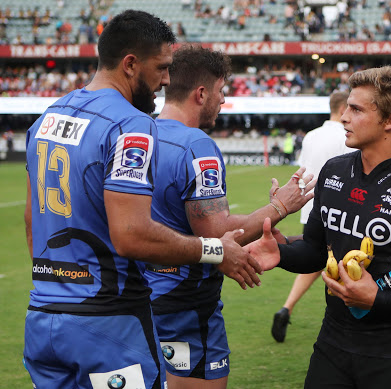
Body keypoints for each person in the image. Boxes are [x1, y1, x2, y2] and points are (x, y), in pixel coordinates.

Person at [23, 11, 261, 389]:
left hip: (44, 318)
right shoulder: (130, 124)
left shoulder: (49, 117)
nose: (166, 80)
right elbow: (132, 234)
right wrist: (215, 251)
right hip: (108, 323)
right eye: (161, 68)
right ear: (131, 64)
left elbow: (32, 222)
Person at [247, 66, 391, 389]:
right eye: (347, 107)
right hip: (333, 344)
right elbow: (314, 252)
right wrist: (280, 254)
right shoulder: (333, 172)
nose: (344, 118)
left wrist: (379, 300)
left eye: (356, 109)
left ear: (390, 121)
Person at [145, 44, 315, 389]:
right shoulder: (196, 145)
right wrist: (280, 207)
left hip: (141, 292)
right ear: (202, 93)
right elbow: (216, 232)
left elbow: (179, 218)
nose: (224, 101)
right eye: (222, 92)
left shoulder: (139, 134)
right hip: (185, 299)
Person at [271, 90, 355, 343]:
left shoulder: (311, 135)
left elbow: (303, 168)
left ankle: (287, 307)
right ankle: (342, 319)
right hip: (337, 207)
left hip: (310, 205)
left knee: (317, 258)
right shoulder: (345, 135)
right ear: (343, 109)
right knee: (339, 262)